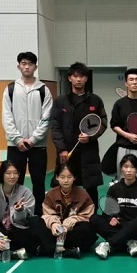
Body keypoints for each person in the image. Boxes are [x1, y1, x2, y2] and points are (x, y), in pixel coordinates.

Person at [50, 62, 107, 210]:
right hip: (67, 152)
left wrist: (91, 137)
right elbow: (55, 126)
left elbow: (103, 122)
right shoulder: (60, 101)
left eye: (82, 76)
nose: (78, 79)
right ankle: (64, 214)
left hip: (89, 152)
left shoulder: (95, 100)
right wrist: (61, 148)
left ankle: (92, 216)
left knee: (91, 187)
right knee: (66, 185)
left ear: (86, 79)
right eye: (75, 76)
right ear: (69, 78)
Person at [2, 51, 52, 216]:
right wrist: (17, 139)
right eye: (23, 63)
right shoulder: (10, 89)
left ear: (35, 67)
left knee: (39, 183)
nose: (27, 67)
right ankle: (13, 216)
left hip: (38, 146)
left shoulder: (43, 90)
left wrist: (33, 139)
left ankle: (38, 216)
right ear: (19, 66)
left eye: (30, 64)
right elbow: (7, 117)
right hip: (15, 145)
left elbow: (46, 118)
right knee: (15, 182)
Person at [28, 163, 98, 259]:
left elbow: (88, 216)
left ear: (74, 178)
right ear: (57, 177)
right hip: (53, 232)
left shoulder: (83, 194)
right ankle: (66, 251)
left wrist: (73, 220)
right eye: (62, 177)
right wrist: (53, 224)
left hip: (71, 233)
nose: (66, 180)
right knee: (34, 221)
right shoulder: (51, 194)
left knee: (88, 229)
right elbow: (46, 214)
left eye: (69, 177)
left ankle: (49, 248)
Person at [91, 154, 137, 259]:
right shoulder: (114, 189)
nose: (129, 170)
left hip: (135, 226)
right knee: (94, 219)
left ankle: (109, 244)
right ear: (121, 169)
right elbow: (107, 213)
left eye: (132, 167)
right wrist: (111, 218)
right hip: (119, 225)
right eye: (126, 166)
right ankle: (130, 243)